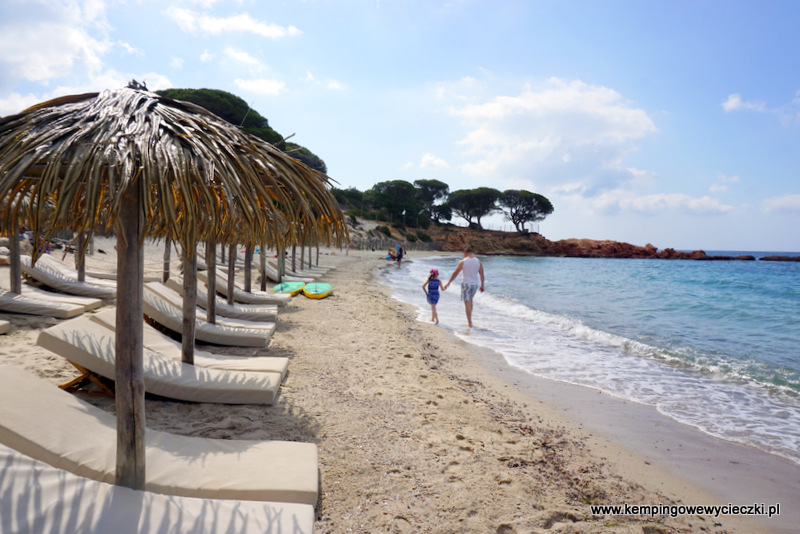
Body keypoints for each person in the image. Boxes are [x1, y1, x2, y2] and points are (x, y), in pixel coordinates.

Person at [443, 248, 484, 328]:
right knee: (470, 301)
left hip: (466, 284)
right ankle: (470, 321)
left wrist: (449, 283)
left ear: (465, 252)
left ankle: (469, 323)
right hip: (474, 285)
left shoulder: (463, 261)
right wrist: (482, 285)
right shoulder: (478, 261)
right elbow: (482, 274)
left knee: (467, 303)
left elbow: (455, 273)